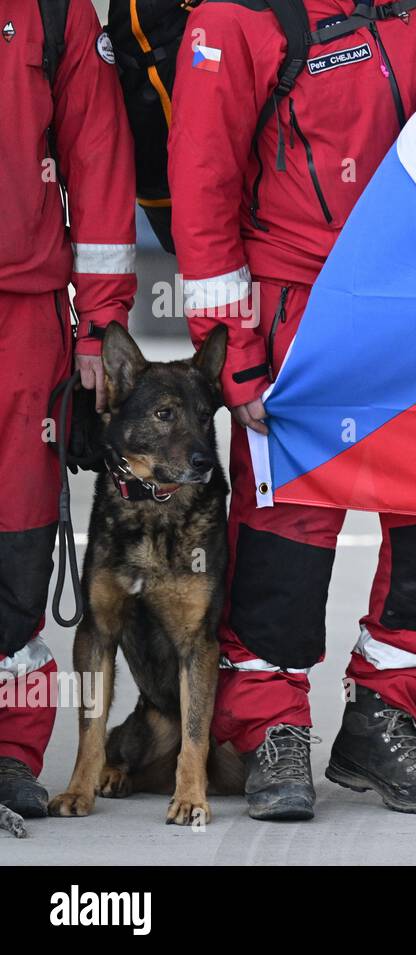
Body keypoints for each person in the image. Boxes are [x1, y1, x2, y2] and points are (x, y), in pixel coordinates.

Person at [169, 0, 416, 821]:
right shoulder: (234, 20)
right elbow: (203, 184)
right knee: (283, 541)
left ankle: (388, 718)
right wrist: (236, 351)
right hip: (300, 315)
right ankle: (269, 729)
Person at [0, 0, 136, 820]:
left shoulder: (55, 13)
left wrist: (102, 322)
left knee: (17, 541)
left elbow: (98, 158)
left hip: (28, 316)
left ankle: (12, 749)